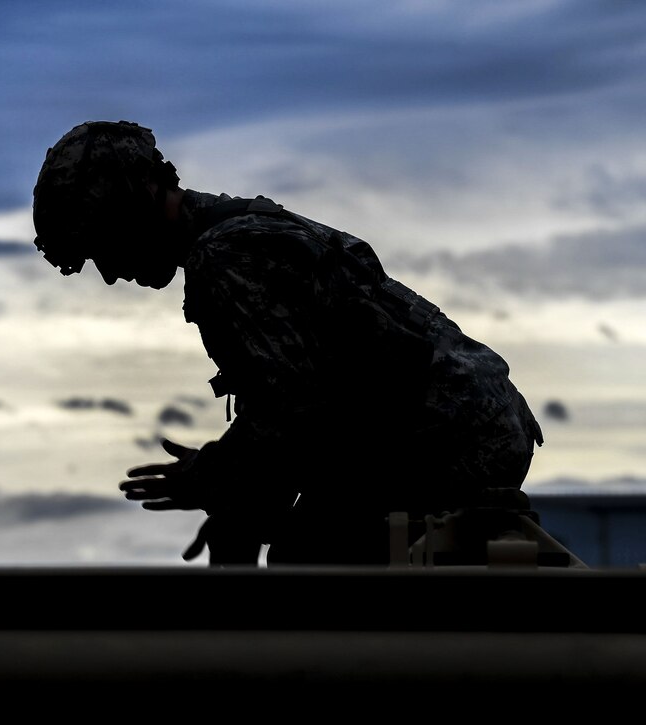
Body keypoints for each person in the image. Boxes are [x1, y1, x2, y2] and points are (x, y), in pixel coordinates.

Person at [31, 120, 545, 566]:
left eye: (99, 247)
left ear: (128, 209)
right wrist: (242, 500)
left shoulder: (225, 255)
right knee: (305, 550)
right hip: (450, 424)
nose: (109, 275)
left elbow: (297, 411)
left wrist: (219, 481)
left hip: (446, 435)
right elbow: (312, 410)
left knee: (310, 565)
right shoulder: (238, 233)